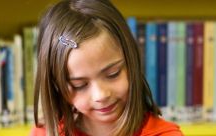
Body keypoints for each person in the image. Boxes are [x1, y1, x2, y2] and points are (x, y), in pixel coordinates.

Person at [31, 0, 183, 135]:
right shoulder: (45, 132)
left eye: (113, 74)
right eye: (80, 85)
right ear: (56, 85)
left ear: (131, 62)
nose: (101, 95)